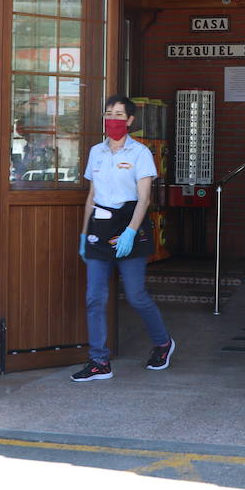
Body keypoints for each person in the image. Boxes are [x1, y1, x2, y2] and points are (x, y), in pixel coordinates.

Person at [70, 95, 175, 382]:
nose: (112, 119)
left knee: (136, 295)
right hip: (99, 228)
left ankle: (163, 342)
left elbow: (144, 198)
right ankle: (99, 361)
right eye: (108, 113)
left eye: (118, 114)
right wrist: (83, 234)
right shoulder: (96, 152)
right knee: (94, 297)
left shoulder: (140, 153)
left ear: (129, 120)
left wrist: (130, 231)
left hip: (131, 224)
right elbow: (91, 197)